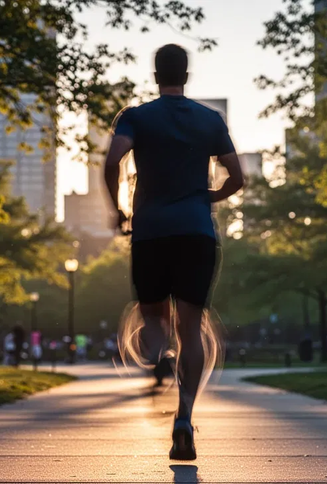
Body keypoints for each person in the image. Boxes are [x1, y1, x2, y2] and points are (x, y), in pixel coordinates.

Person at [104, 44, 244, 460]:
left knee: (154, 322)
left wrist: (119, 211)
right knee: (191, 327)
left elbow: (112, 162)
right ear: (186, 75)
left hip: (150, 233)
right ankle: (184, 416)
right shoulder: (209, 119)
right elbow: (237, 178)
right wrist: (206, 197)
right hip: (196, 233)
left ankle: (159, 354)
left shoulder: (135, 117)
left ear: (155, 75)